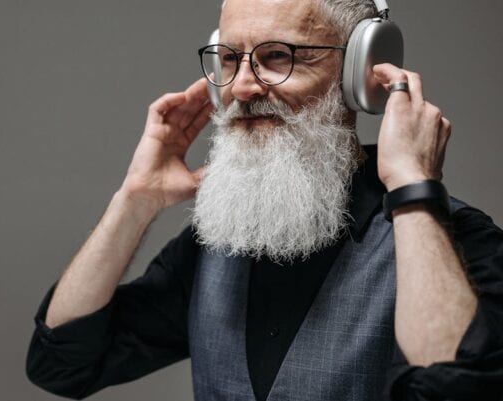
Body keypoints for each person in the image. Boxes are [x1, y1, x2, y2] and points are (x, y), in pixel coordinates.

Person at [26, 0, 503, 400]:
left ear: (360, 73)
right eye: (230, 59)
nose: (242, 87)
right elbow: (61, 364)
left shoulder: (457, 239)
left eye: (279, 56)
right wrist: (135, 200)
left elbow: (460, 390)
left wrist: (414, 185)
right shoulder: (219, 238)